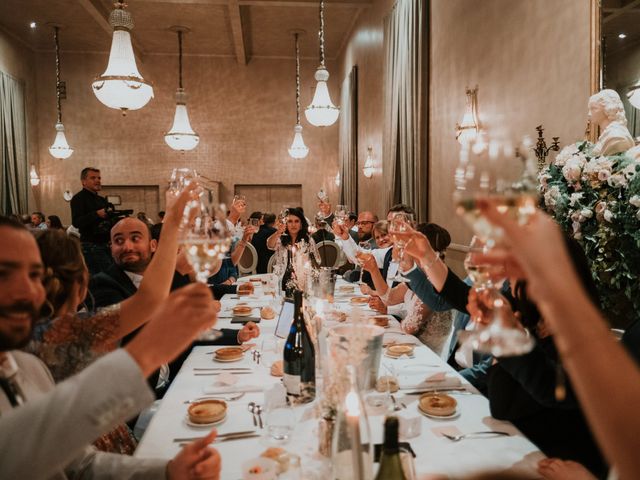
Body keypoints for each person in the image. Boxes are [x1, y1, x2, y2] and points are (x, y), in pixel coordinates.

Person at [0, 215, 222, 479]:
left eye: (34, 275)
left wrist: (168, 471)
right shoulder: (63, 330)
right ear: (81, 283)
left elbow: (78, 464)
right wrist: (147, 351)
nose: (31, 291)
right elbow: (14, 457)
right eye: (4, 274)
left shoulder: (28, 366)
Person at [70, 167, 112, 275]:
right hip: (90, 246)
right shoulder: (78, 199)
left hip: (106, 244)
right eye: (93, 178)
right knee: (100, 279)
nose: (98, 180)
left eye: (99, 178)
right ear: (83, 181)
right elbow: (76, 222)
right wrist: (96, 214)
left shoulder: (102, 200)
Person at [588, 89, 634, 156]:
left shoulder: (616, 137)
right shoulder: (607, 134)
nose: (589, 114)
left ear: (608, 109)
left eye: (594, 108)